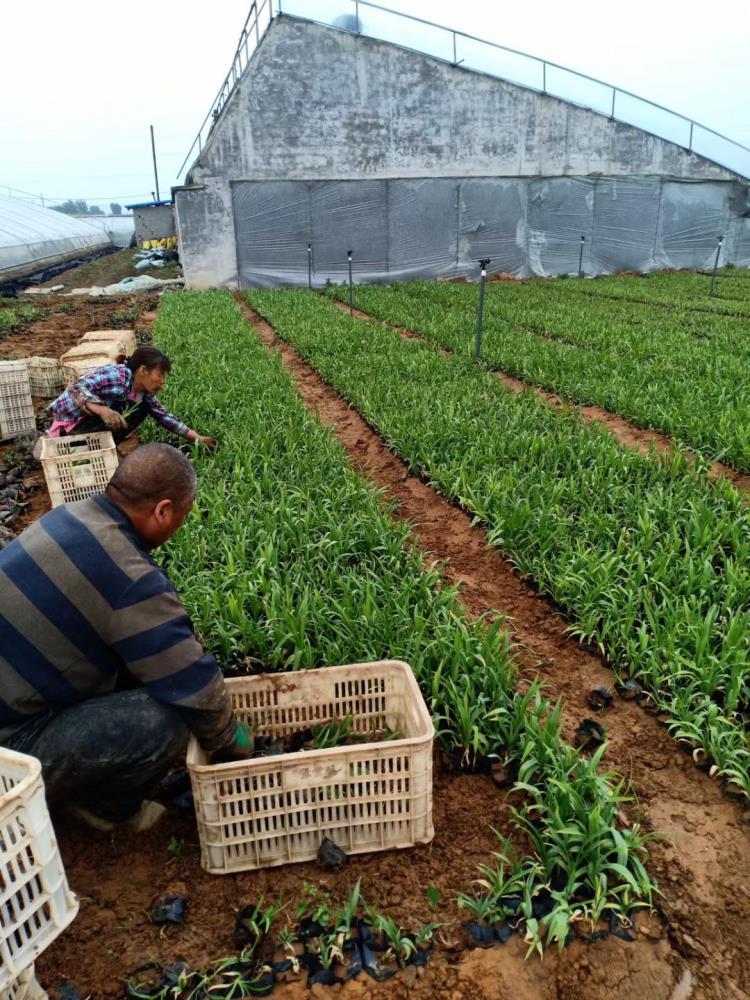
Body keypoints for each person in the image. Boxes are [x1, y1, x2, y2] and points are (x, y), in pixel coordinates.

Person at [0, 444, 251, 831]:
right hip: (10, 753)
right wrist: (232, 737)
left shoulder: (69, 515)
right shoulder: (130, 577)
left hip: (13, 697)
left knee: (133, 668)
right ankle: (104, 807)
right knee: (167, 719)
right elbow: (192, 684)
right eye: (180, 517)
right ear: (163, 511)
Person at [47, 346, 216, 447]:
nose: (162, 382)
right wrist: (102, 410)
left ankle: (105, 448)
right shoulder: (118, 376)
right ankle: (88, 448)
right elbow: (76, 388)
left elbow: (165, 418)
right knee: (128, 408)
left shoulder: (144, 395)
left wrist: (198, 438)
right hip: (68, 431)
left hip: (91, 434)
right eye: (160, 375)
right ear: (143, 370)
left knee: (143, 408)